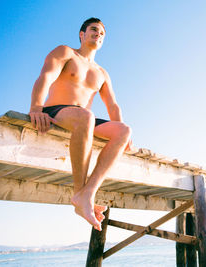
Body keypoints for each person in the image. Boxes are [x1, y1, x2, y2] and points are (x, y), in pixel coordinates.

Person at [29, 18, 132, 231]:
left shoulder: (102, 73)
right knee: (86, 116)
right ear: (81, 34)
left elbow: (113, 106)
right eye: (94, 29)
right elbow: (45, 77)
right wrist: (36, 108)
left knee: (124, 131)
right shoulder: (66, 52)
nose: (98, 34)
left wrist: (123, 140)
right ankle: (79, 193)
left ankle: (88, 193)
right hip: (57, 111)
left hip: (85, 119)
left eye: (102, 33)